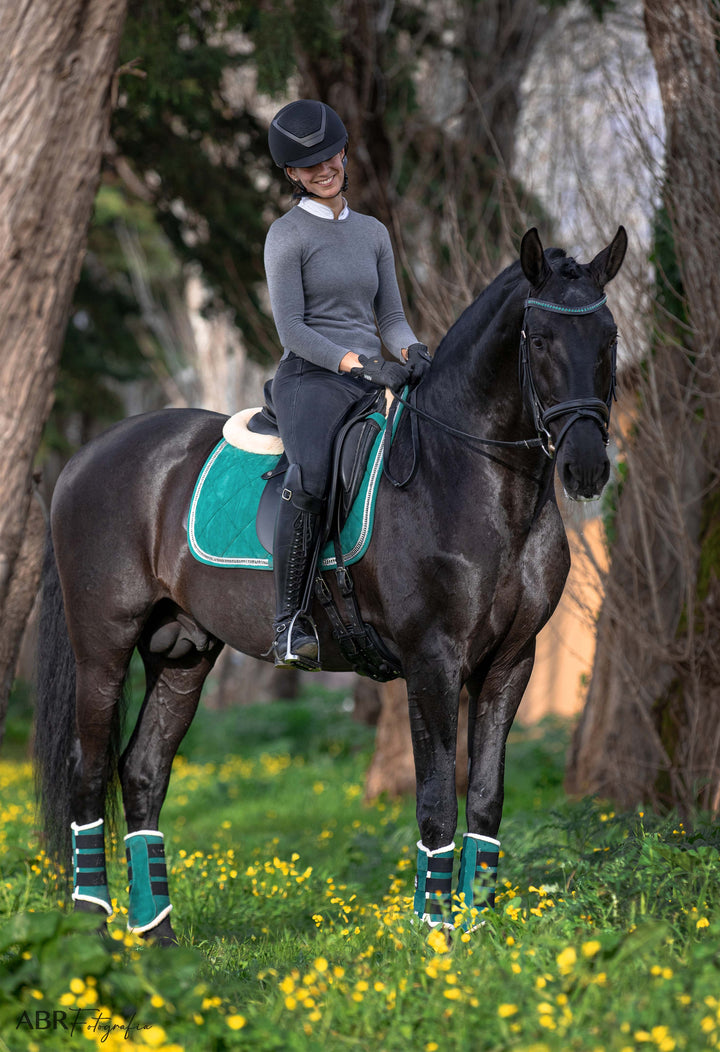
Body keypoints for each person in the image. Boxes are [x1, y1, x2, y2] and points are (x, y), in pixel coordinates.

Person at [264, 98, 427, 670]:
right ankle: (289, 621)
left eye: (328, 157)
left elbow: (390, 319)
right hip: (312, 378)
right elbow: (293, 329)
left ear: (343, 153)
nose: (322, 170)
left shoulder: (373, 233)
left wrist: (412, 350)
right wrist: (357, 364)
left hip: (367, 377)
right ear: (292, 175)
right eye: (307, 166)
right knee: (309, 475)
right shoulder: (286, 237)